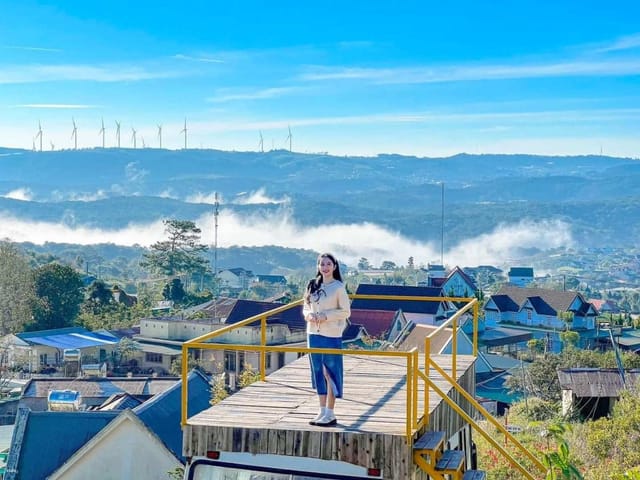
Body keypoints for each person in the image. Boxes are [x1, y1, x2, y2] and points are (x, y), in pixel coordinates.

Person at [303, 252, 351, 426]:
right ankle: (322, 410)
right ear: (318, 267)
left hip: (331, 334)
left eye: (328, 264)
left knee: (330, 371)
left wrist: (326, 316)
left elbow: (346, 312)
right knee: (317, 372)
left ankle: (331, 412)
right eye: (322, 264)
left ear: (334, 266)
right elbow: (306, 306)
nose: (325, 267)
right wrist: (309, 315)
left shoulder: (338, 287)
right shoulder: (312, 285)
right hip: (313, 333)